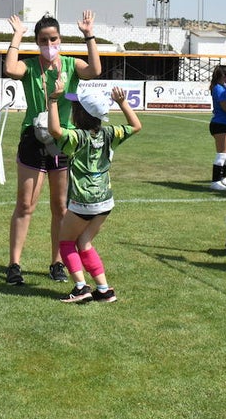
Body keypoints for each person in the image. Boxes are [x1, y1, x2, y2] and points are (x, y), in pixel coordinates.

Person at [4, 11, 102, 286]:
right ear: (37, 41)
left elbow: (95, 71)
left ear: (60, 39)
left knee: (60, 207)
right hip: (33, 139)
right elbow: (10, 69)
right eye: (44, 40)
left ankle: (57, 262)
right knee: (25, 204)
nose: (50, 44)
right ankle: (14, 264)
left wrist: (89, 35)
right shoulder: (30, 67)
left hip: (62, 140)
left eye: (54, 39)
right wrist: (17, 35)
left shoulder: (71, 65)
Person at [46, 78, 141, 303]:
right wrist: (123, 103)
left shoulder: (77, 137)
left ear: (80, 115)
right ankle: (104, 290)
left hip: (83, 201)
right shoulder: (110, 134)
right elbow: (136, 126)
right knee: (85, 242)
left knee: (66, 241)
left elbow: (54, 130)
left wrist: (52, 100)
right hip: (105, 201)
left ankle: (80, 287)